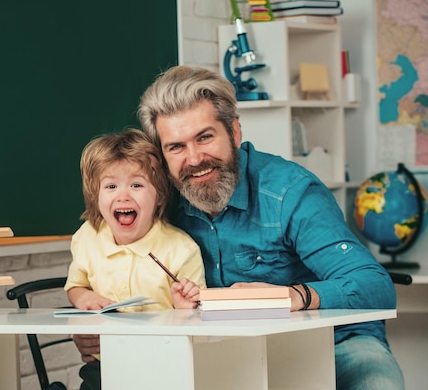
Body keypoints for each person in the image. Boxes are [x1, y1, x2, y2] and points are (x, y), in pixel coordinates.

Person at [73, 65, 404, 390]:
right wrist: (98, 328)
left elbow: (375, 286)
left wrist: (294, 296)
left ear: (234, 131)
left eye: (205, 137)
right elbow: (126, 271)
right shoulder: (160, 196)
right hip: (224, 353)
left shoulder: (290, 192)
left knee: (379, 384)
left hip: (332, 344)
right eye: (176, 147)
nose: (194, 158)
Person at [66, 127, 206, 390]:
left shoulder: (181, 249)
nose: (123, 195)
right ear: (96, 197)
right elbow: (76, 285)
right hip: (103, 364)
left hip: (165, 364)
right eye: (110, 186)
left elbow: (199, 323)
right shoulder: (87, 237)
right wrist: (83, 298)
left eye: (137, 185)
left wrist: (185, 308)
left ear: (160, 197)